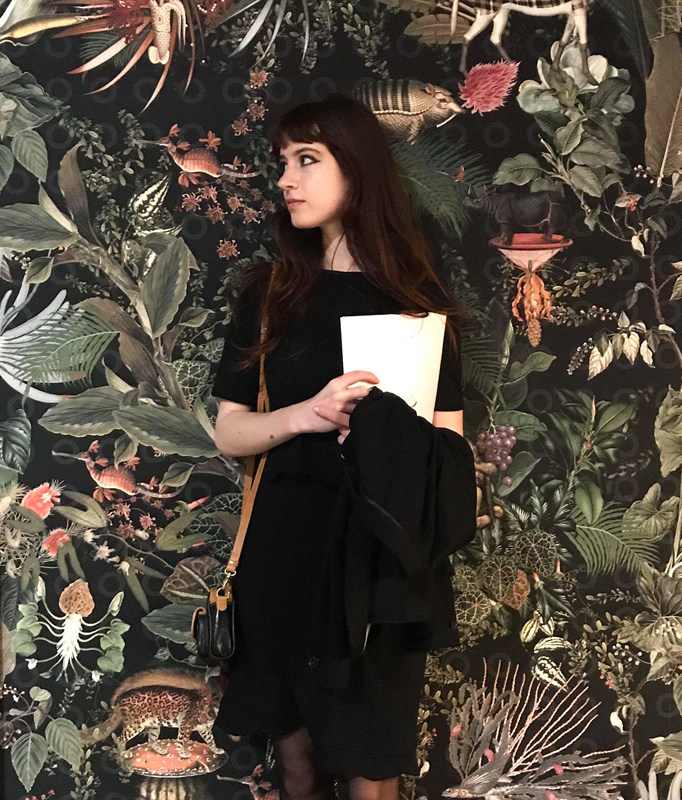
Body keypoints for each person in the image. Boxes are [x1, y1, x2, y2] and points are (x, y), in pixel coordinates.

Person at [210, 93, 466, 800]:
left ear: (357, 168)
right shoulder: (270, 294)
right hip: (284, 554)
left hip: (384, 564)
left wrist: (385, 435)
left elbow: (450, 451)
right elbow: (230, 432)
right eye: (282, 163)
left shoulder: (417, 300)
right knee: (295, 762)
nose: (286, 180)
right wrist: (308, 415)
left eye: (307, 160)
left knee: (371, 767)